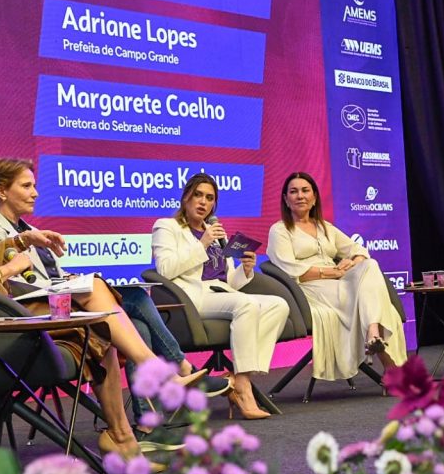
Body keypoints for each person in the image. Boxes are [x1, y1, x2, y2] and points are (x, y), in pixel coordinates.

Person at [0, 125, 176, 465]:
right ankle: (124, 432)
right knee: (98, 321)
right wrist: (8, 270)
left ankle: (124, 435)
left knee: (100, 323)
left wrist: (21, 242)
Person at [0, 158, 230, 431]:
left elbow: (48, 274)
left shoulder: (28, 230)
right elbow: (11, 284)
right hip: (36, 315)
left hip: (58, 300)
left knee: (137, 324)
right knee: (137, 300)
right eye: (27, 186)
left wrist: (70, 279)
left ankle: (146, 422)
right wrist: (62, 285)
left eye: (34, 186)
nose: (35, 193)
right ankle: (179, 368)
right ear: (2, 191)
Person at [151, 173, 289, 420]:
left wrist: (245, 270)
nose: (203, 202)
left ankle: (237, 378)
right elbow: (165, 269)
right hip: (190, 296)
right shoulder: (166, 227)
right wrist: (201, 243)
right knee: (246, 304)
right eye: (198, 195)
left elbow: (227, 281)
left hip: (219, 292)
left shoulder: (214, 231)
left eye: (210, 198)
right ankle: (244, 390)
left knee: (279, 305)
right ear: (186, 198)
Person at [267, 172, 406, 382]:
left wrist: (351, 262)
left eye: (305, 191)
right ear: (286, 199)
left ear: (314, 198)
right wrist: (330, 272)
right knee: (374, 303)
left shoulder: (324, 227)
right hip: (309, 287)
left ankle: (372, 331)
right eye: (293, 192)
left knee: (370, 264)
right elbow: (289, 269)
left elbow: (357, 249)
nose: (300, 196)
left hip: (339, 281)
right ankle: (390, 367)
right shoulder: (280, 231)